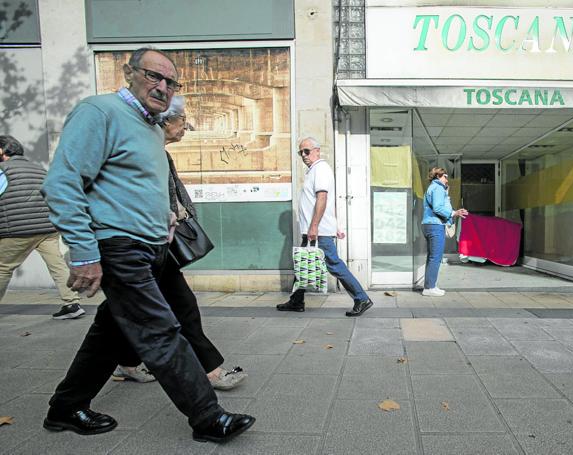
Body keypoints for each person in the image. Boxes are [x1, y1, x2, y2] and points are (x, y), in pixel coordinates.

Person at [40, 47, 254, 443]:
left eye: (171, 82)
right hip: (120, 246)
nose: (162, 87)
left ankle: (66, 408)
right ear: (129, 73)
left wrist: (165, 218)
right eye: (153, 76)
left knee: (113, 333)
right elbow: (62, 184)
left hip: (154, 248)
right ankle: (208, 418)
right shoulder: (99, 112)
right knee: (160, 331)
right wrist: (85, 252)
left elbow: (134, 187)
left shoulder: (152, 126)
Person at [114, 96, 247, 390]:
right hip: (147, 243)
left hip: (153, 243)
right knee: (182, 305)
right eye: (182, 119)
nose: (185, 125)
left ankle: (124, 363)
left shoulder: (156, 151)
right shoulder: (146, 152)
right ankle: (211, 371)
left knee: (122, 311)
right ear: (164, 121)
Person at [277, 137, 373, 317]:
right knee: (303, 262)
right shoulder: (314, 170)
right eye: (301, 152)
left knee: (334, 264)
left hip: (317, 231)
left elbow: (323, 198)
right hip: (315, 230)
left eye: (307, 151)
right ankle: (296, 301)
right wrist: (334, 224)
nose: (304, 155)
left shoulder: (320, 169)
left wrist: (314, 227)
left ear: (317, 150)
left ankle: (361, 298)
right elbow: (329, 203)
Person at [0, 135, 84, 320]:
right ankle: (72, 303)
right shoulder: (38, 169)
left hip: (18, 229)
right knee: (57, 264)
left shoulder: (2, 170)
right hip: (47, 228)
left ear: (2, 151)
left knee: (3, 267)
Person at [421, 167, 468, 297]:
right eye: (445, 176)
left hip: (428, 224)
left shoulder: (433, 188)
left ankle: (429, 286)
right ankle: (430, 287)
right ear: (438, 177)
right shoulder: (437, 188)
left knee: (432, 257)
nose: (447, 178)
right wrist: (454, 213)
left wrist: (446, 194)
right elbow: (437, 207)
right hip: (435, 225)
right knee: (435, 257)